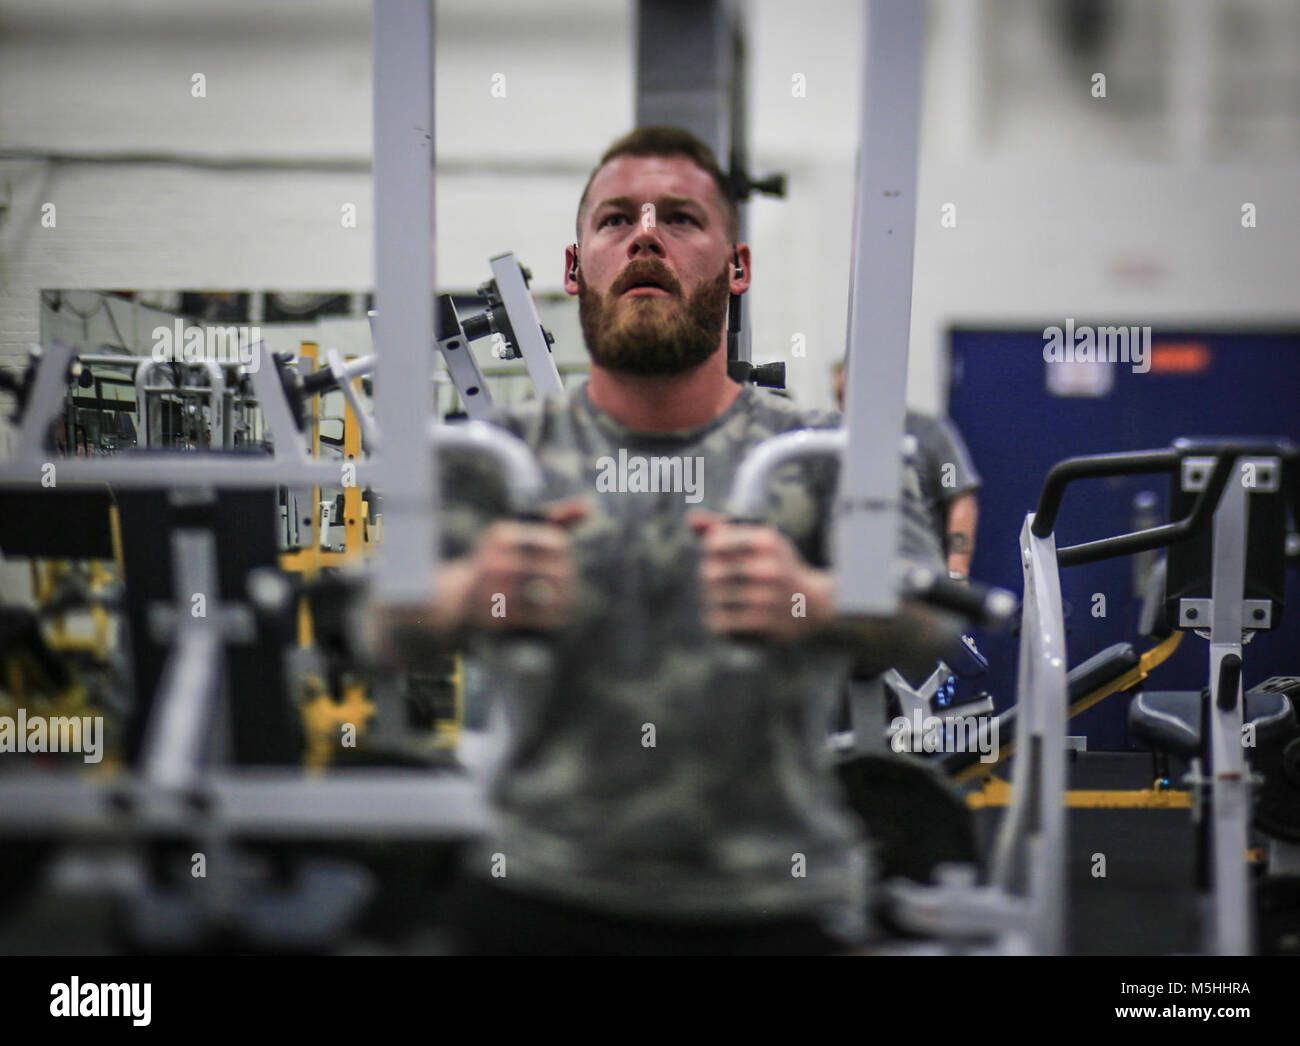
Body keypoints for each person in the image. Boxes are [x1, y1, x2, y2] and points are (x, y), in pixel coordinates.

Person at [416, 127, 949, 956]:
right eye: (616, 218)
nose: (646, 235)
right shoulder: (498, 457)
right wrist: (471, 591)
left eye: (682, 220)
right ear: (574, 266)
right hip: (536, 891)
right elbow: (381, 624)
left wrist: (811, 602)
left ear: (736, 266)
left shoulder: (821, 453)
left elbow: (930, 621)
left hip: (771, 902)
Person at [832, 359, 981, 581]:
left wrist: (957, 568)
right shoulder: (833, 435)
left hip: (920, 571)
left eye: (853, 394)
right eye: (840, 397)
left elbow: (959, 499)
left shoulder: (928, 432)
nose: (847, 405)